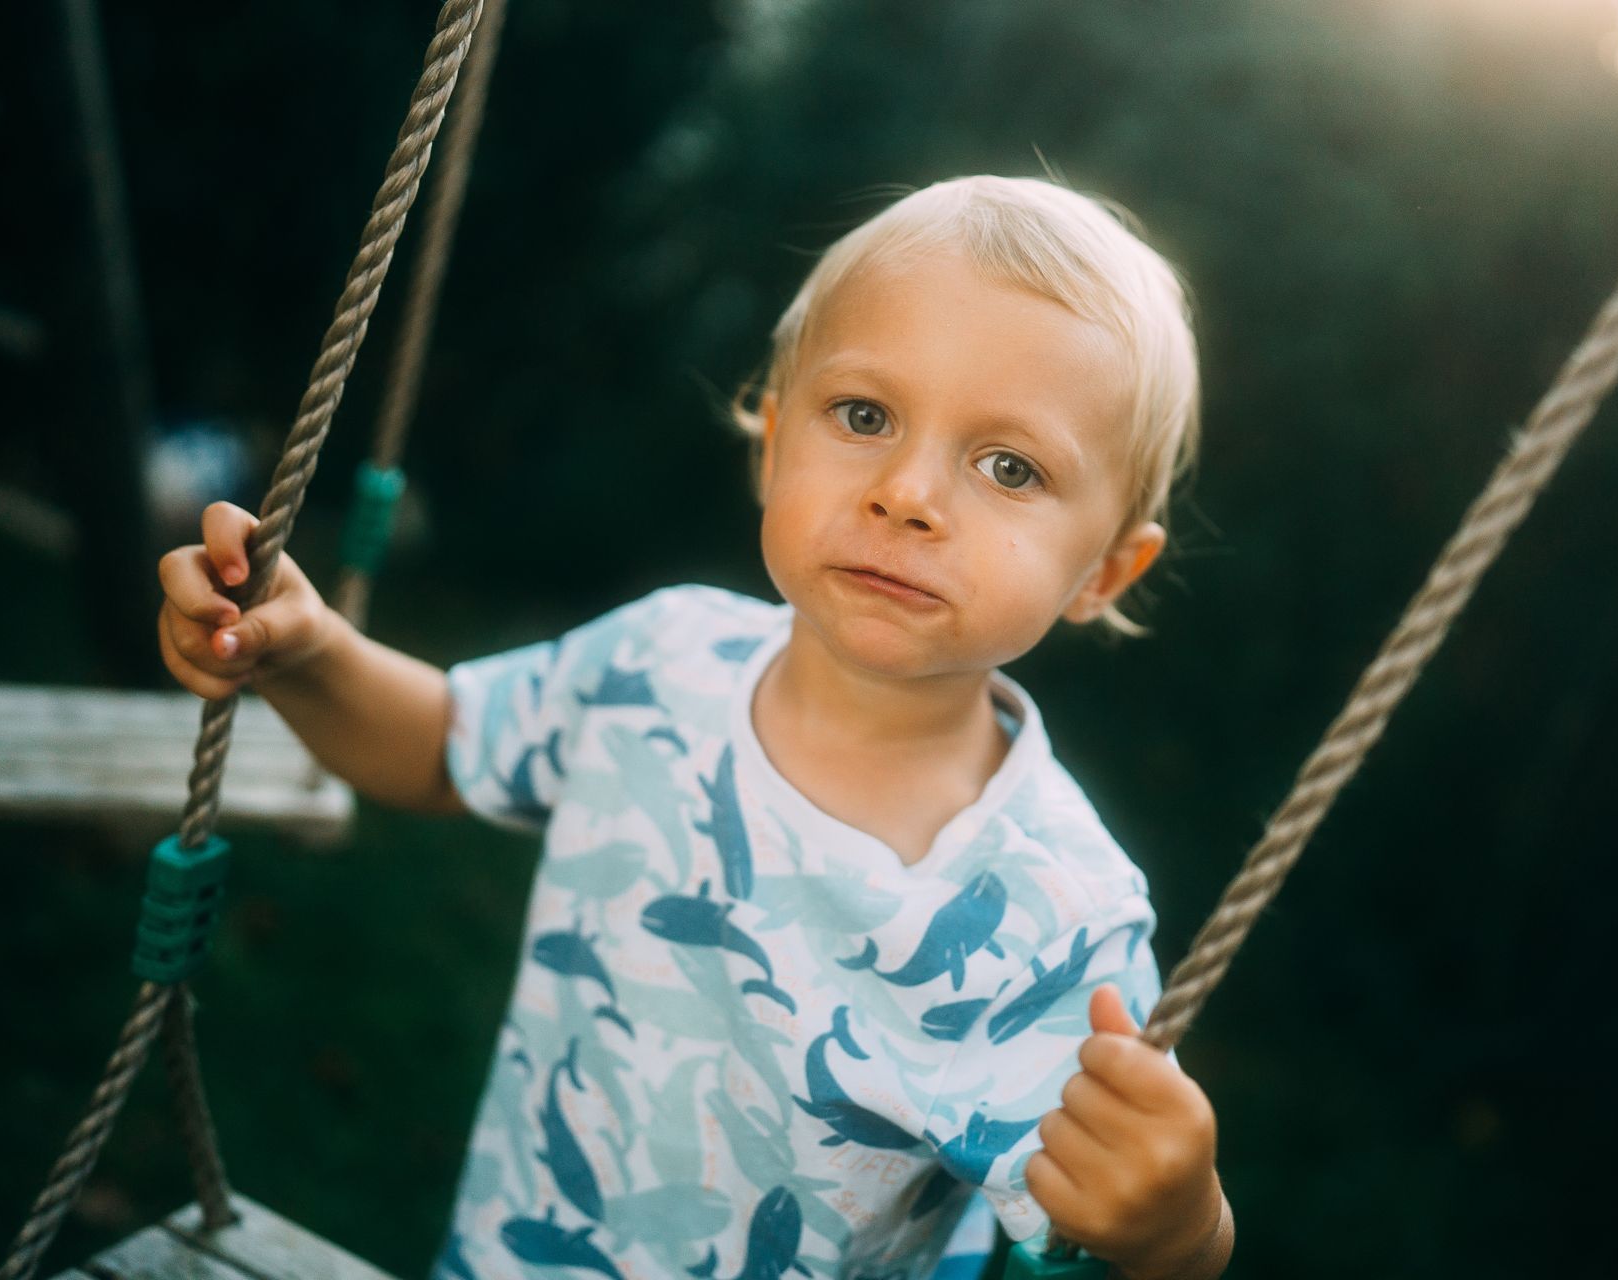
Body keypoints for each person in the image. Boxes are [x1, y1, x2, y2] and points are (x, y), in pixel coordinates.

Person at [156, 176, 1232, 1280]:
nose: (908, 492)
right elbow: (444, 746)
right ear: (772, 438)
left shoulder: (1056, 921)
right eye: (865, 416)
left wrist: (1180, 1229)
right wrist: (308, 656)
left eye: (1011, 467)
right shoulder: (661, 660)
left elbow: (1101, 1233)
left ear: (1105, 571)